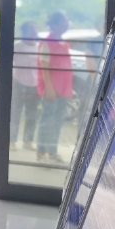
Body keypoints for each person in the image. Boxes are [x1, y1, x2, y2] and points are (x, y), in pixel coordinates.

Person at [36, 11, 73, 163]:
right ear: (55, 24)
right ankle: (41, 154)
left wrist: (68, 88)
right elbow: (44, 67)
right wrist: (49, 89)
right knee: (46, 122)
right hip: (52, 90)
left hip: (63, 89)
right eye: (64, 21)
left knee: (57, 122)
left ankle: (52, 152)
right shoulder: (47, 43)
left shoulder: (63, 43)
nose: (67, 24)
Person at [10, 20, 40, 152]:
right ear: (24, 32)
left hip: (34, 85)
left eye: (36, 29)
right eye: (32, 29)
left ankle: (28, 141)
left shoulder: (39, 47)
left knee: (32, 115)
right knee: (15, 114)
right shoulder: (17, 46)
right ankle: (11, 141)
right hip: (19, 83)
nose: (35, 32)